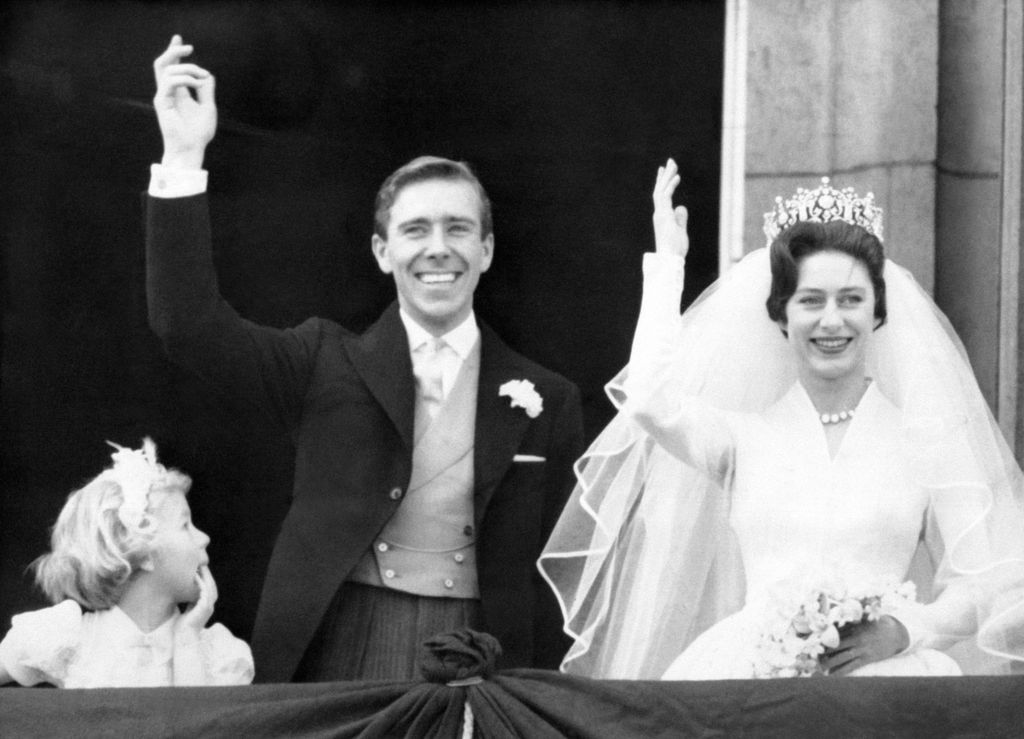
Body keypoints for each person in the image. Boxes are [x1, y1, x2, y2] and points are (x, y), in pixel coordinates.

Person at [146, 35, 584, 682]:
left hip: (481, 655)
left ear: (487, 250)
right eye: (415, 229)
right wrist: (183, 155)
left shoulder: (549, 396)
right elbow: (189, 326)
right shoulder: (324, 360)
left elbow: (563, 567)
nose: (439, 247)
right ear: (382, 252)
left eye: (458, 228)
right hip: (340, 644)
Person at [539, 159, 1024, 679]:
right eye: (810, 301)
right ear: (781, 315)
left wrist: (909, 629)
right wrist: (667, 267)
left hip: (888, 679)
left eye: (851, 300)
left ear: (878, 312)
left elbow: (986, 582)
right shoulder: (743, 439)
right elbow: (648, 398)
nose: (831, 321)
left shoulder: (926, 440)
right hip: (747, 671)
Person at [0, 439, 254, 688]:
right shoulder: (69, 637)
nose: (204, 538)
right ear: (141, 552)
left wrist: (187, 639)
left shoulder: (219, 653)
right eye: (185, 525)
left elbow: (203, 728)